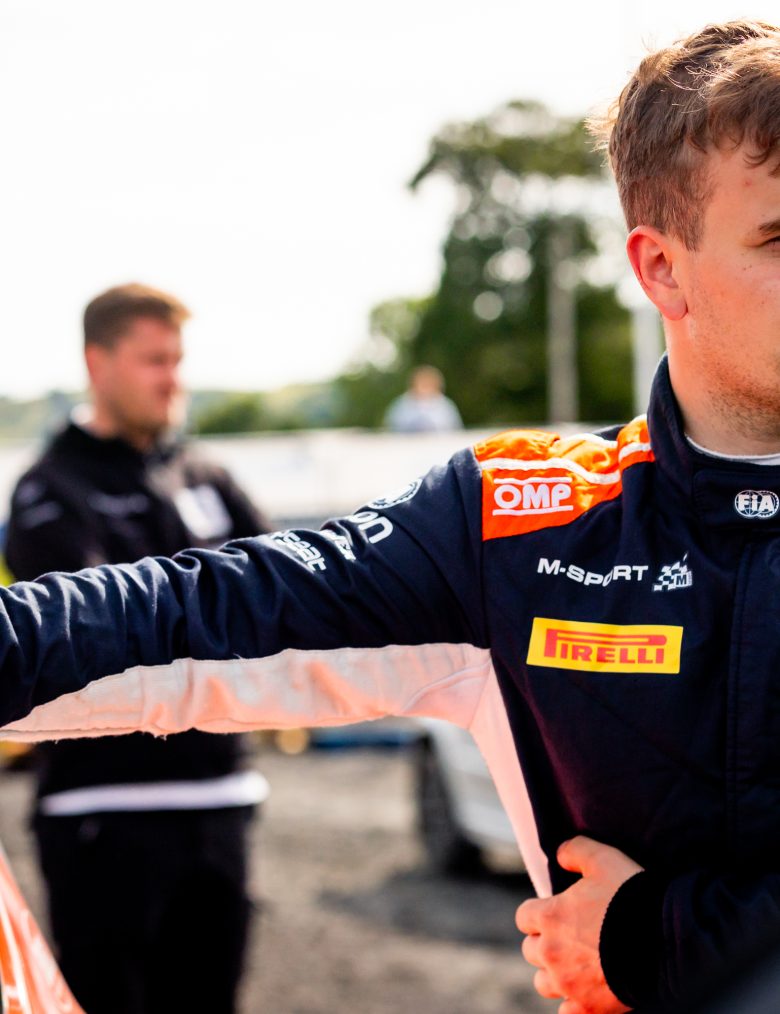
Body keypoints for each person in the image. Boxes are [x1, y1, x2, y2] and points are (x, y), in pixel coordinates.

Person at [0, 18, 776, 1013]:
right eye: (778, 239)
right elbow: (218, 604)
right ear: (661, 268)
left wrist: (653, 937)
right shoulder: (519, 525)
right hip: (114, 823)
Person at [4, 283, 271, 1014]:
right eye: (155, 360)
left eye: (178, 360)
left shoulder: (207, 474)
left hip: (222, 797)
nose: (173, 379)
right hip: (102, 808)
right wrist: (227, 620)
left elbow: (288, 593)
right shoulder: (48, 488)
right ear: (98, 363)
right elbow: (91, 637)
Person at [384, 364, 463, 432]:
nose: (425, 388)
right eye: (422, 384)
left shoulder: (446, 406)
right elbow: (392, 430)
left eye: (428, 384)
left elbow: (455, 431)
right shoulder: (400, 406)